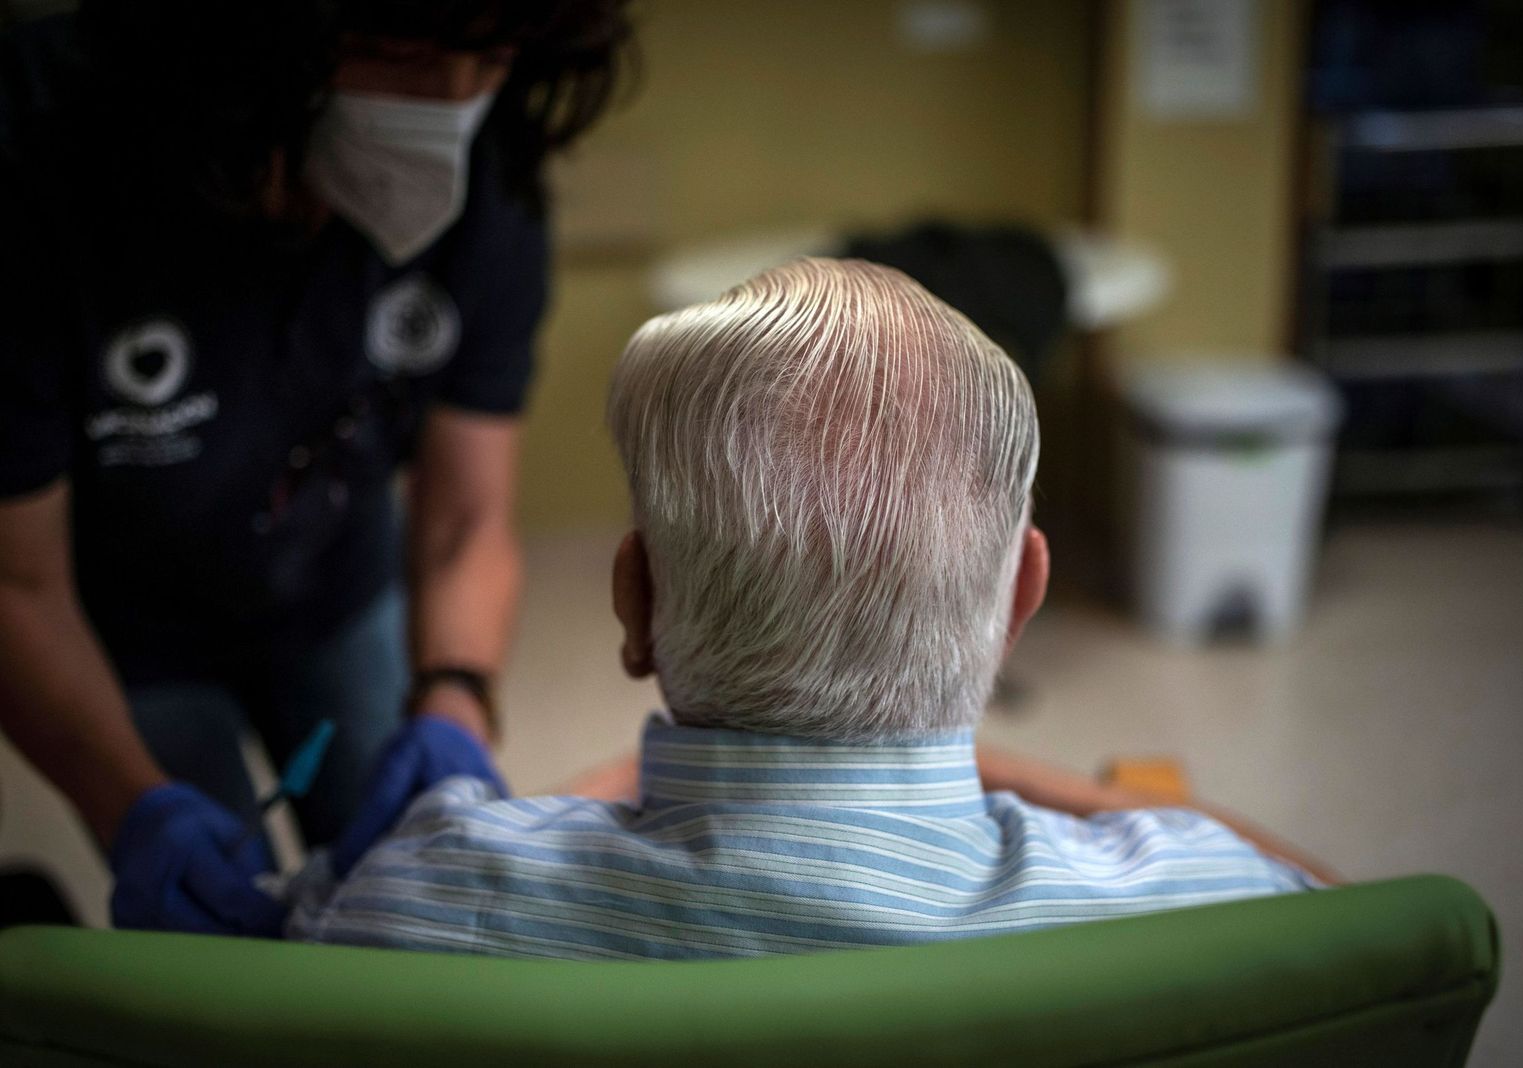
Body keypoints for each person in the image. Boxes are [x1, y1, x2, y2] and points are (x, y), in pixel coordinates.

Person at [287, 258, 1336, 960]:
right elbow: (1383, 928)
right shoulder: (1193, 906)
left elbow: (293, 939)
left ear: (635, 602)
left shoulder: (427, 894)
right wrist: (1017, 771)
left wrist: (592, 789)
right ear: (1022, 594)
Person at [0, 1, 631, 936]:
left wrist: (455, 696)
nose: (452, 106)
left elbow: (467, 516)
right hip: (113, 626)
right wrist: (131, 805)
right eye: (399, 53)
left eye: (489, 59)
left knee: (404, 881)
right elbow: (15, 578)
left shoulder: (495, 176)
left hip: (335, 578)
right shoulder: (36, 144)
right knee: (215, 914)